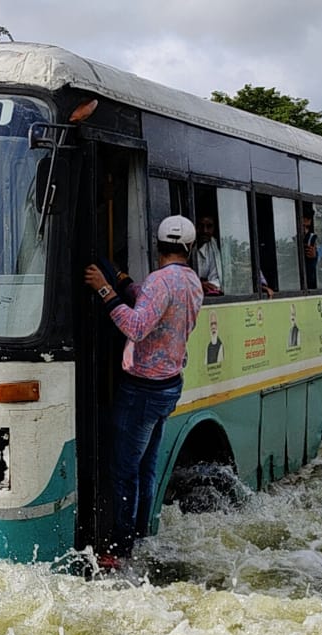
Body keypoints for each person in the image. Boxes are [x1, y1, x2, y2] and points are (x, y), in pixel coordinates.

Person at [83, 215, 203, 564]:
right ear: (189, 247)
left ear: (158, 245)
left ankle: (118, 548)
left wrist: (104, 288)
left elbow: (136, 326)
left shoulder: (159, 281)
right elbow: (156, 304)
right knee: (147, 469)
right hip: (168, 387)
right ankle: (140, 537)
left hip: (141, 390)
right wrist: (125, 283)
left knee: (123, 471)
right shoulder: (191, 281)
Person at [192, 216, 223, 295]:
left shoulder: (214, 247)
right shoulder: (185, 246)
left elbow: (216, 279)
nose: (204, 231)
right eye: (201, 226)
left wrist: (205, 284)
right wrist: (199, 284)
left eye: (209, 226)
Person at [301, 214, 319, 289]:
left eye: (307, 227)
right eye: (302, 226)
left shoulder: (316, 247)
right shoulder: (288, 247)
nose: (305, 231)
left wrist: (314, 257)